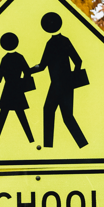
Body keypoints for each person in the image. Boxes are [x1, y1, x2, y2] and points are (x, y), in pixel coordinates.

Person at [31, 12, 89, 148]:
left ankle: (48, 147)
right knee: (67, 116)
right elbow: (78, 61)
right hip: (66, 85)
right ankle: (83, 145)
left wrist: (28, 71)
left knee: (49, 111)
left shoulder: (51, 43)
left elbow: (42, 66)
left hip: (57, 85)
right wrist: (72, 78)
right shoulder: (64, 41)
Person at [0, 32, 35, 145]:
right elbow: (27, 73)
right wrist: (23, 83)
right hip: (17, 90)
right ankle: (31, 140)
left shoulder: (5, 59)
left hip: (8, 91)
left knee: (2, 118)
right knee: (21, 117)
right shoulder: (19, 57)